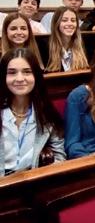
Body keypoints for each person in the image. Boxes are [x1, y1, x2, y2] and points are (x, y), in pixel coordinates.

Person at [0, 48, 65, 176]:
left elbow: (60, 156)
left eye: (27, 72)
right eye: (12, 73)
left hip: (33, 180)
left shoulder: (46, 113)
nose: (20, 78)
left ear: (36, 76)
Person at [46, 7, 89, 72]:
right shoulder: (45, 46)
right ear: (56, 23)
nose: (70, 24)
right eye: (64, 20)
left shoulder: (83, 44)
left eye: (73, 20)